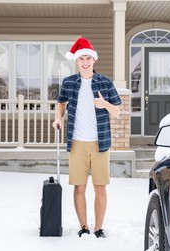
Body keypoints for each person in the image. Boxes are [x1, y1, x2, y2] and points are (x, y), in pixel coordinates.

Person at [52, 37, 122, 238]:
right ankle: (83, 226)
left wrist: (105, 105)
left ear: (94, 60)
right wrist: (58, 118)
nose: (85, 62)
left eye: (88, 58)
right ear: (76, 61)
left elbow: (117, 112)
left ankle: (98, 228)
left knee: (100, 187)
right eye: (81, 58)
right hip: (77, 143)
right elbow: (61, 103)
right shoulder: (69, 82)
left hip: (100, 142)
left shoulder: (105, 82)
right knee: (79, 187)